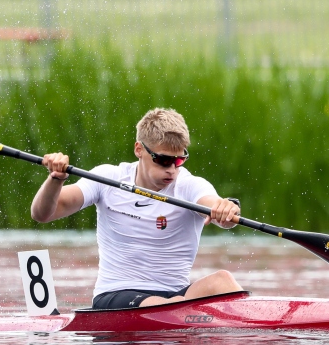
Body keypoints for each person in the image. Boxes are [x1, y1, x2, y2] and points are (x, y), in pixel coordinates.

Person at [31, 108, 243, 309]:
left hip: (174, 297)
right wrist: (56, 180)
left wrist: (224, 210)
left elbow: (214, 207)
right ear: (139, 149)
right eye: (163, 160)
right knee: (167, 305)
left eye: (178, 161)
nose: (171, 170)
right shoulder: (107, 178)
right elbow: (42, 214)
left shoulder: (188, 185)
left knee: (222, 281)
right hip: (116, 294)